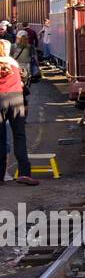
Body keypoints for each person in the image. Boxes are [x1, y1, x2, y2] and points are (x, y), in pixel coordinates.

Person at [0, 39, 35, 185]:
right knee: (19, 136)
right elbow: (22, 84)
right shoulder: (14, 64)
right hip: (15, 99)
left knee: (0, 139)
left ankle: (0, 175)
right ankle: (24, 173)